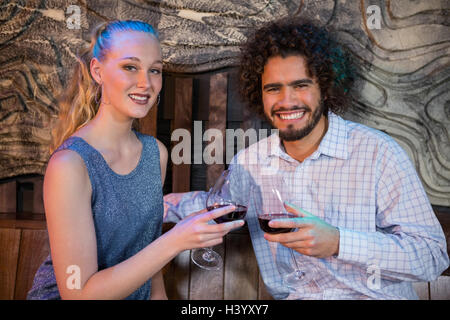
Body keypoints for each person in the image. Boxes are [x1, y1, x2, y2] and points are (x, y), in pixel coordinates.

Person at [164, 18, 449, 299]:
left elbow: (431, 257)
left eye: (300, 85)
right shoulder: (250, 162)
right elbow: (217, 204)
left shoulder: (378, 152)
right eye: (273, 88)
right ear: (259, 95)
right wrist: (146, 204)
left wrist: (339, 242)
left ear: (324, 88)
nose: (286, 101)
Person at [27, 20, 244, 300]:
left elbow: (148, 259)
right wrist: (176, 240)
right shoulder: (70, 164)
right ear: (97, 71)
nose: (146, 83)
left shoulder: (156, 153)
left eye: (154, 70)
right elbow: (78, 294)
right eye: (130, 67)